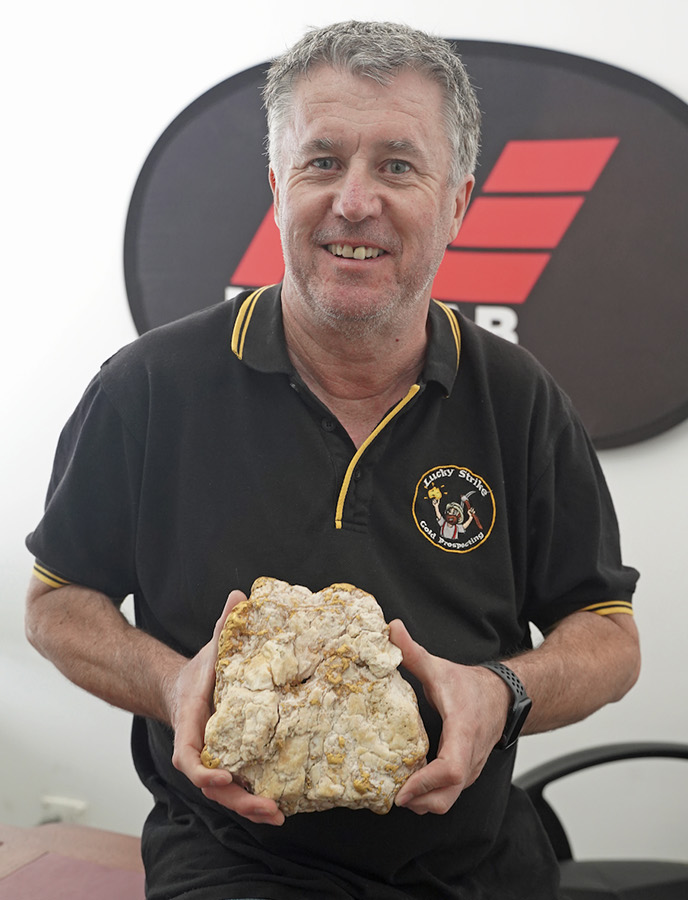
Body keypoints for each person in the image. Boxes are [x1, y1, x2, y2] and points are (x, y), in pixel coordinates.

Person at [25, 20, 640, 900]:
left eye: (397, 165)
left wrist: (502, 691)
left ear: (459, 201)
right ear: (277, 187)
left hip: (475, 865)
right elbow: (57, 604)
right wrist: (174, 683)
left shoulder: (518, 399)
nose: (355, 202)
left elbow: (608, 635)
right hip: (233, 861)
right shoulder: (150, 387)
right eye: (322, 163)